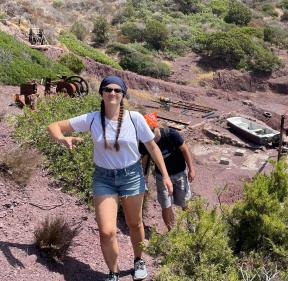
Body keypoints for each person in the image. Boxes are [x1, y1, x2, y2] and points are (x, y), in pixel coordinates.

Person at [47, 76, 173, 281]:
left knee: (135, 223)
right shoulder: (92, 118)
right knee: (106, 231)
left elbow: (152, 146)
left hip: (131, 175)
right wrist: (63, 138)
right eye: (108, 89)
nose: (112, 93)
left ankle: (138, 260)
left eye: (117, 90)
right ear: (102, 93)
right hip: (103, 178)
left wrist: (165, 176)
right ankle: (113, 272)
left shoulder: (135, 118)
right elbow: (54, 126)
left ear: (123, 94)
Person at [139, 112, 195, 230]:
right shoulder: (145, 143)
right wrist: (143, 181)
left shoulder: (171, 135)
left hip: (179, 174)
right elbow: (144, 162)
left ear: (156, 127)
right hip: (162, 178)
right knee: (166, 206)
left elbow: (185, 150)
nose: (148, 134)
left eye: (150, 130)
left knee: (185, 203)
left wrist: (191, 169)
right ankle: (172, 232)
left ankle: (193, 230)